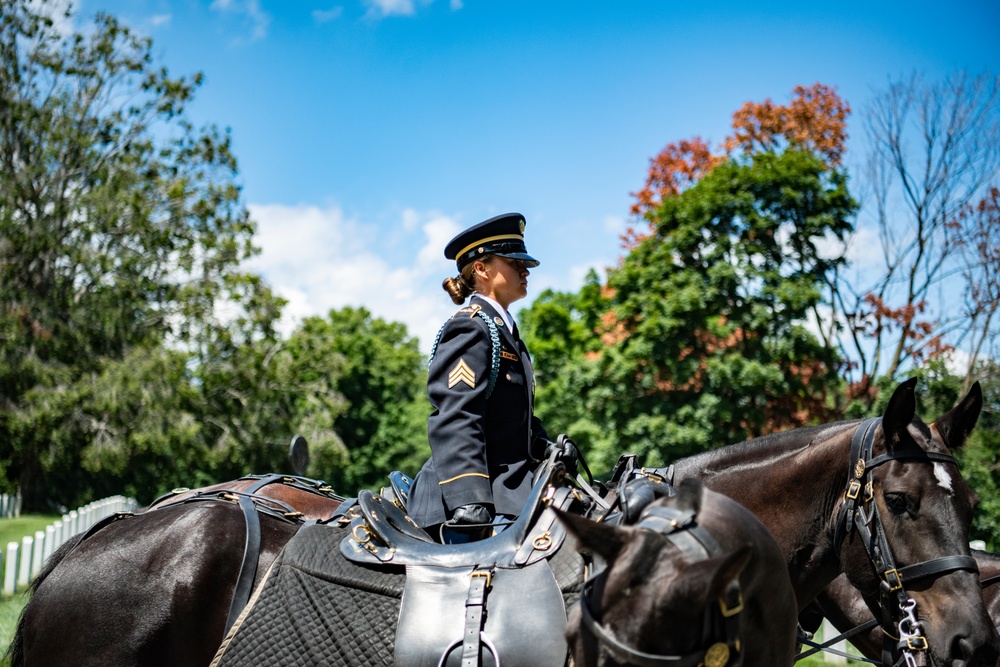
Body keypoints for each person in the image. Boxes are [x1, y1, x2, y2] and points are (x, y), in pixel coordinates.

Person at [407, 212, 565, 543]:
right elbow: (456, 415)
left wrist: (547, 448)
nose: (525, 271)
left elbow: (507, 422)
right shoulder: (470, 327)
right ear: (481, 269)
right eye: (514, 262)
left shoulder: (506, 333)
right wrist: (469, 498)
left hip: (509, 497)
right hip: (467, 505)